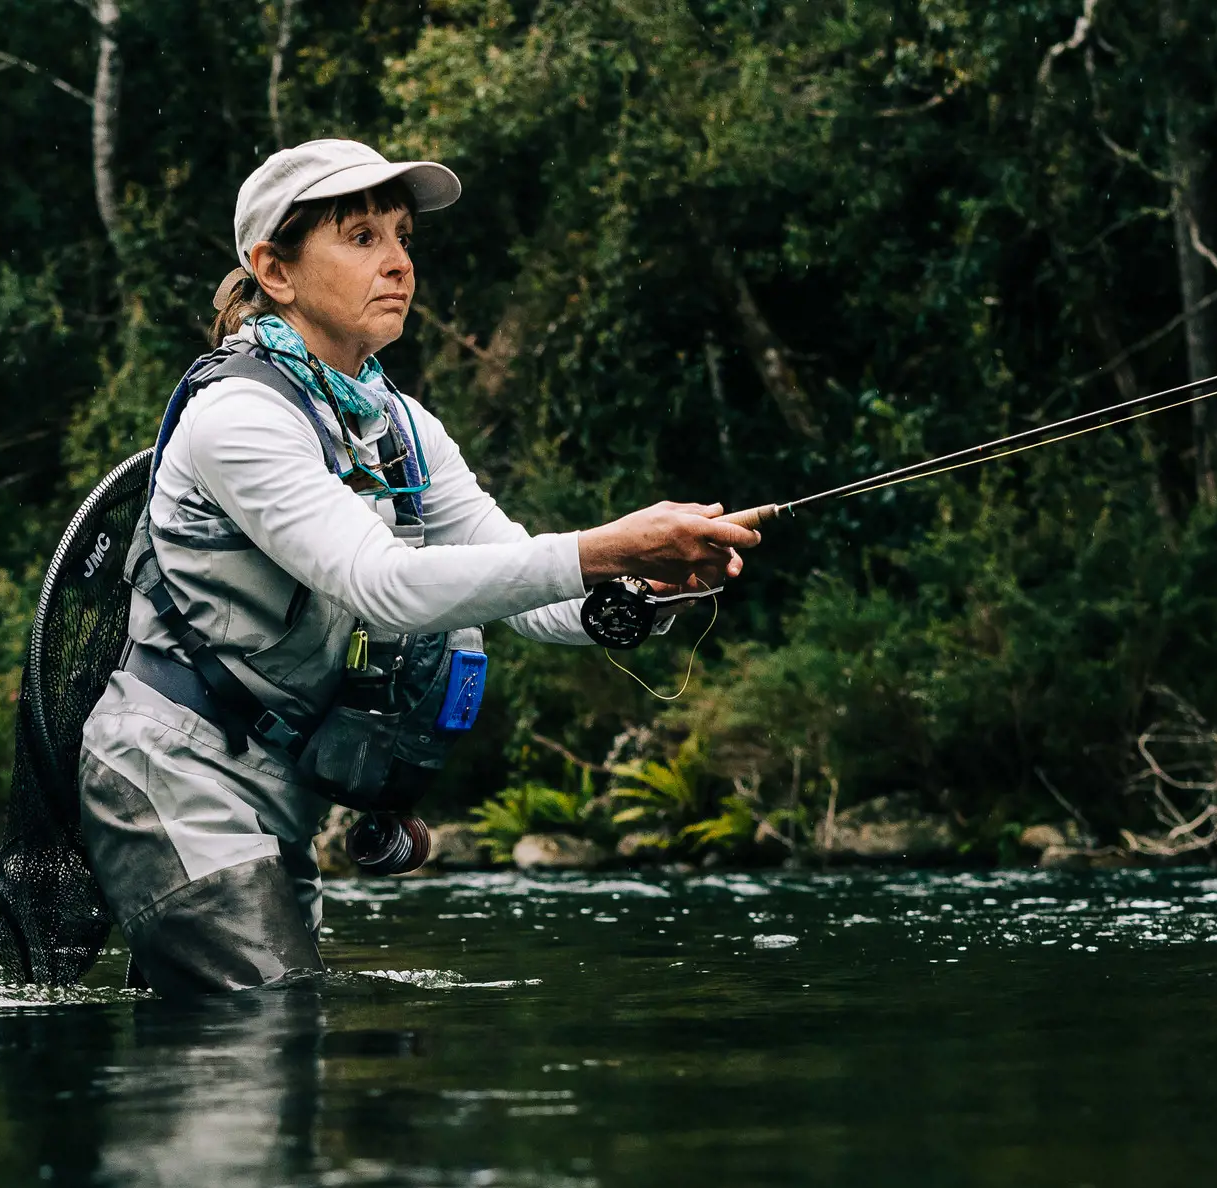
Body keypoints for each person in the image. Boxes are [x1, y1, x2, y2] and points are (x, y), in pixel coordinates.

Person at [76, 137, 759, 996]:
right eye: (361, 237)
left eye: (402, 236)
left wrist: (633, 590)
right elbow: (385, 587)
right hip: (171, 773)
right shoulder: (237, 419)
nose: (399, 262)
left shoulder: (401, 424)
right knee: (267, 1023)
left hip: (276, 787)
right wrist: (602, 547)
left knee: (260, 1054)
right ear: (273, 271)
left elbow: (518, 586)